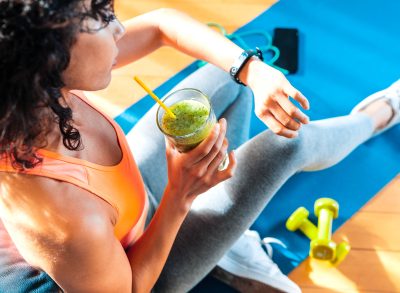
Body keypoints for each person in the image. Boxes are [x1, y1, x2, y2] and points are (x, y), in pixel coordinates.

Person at [0, 1, 398, 292]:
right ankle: (379, 114)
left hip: (130, 209)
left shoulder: (36, 92)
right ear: (48, 57)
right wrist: (181, 193)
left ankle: (228, 241)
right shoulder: (65, 217)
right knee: (285, 147)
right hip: (150, 269)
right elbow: (135, 289)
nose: (119, 28)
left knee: (229, 78)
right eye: (99, 17)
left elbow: (160, 26)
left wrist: (253, 70)